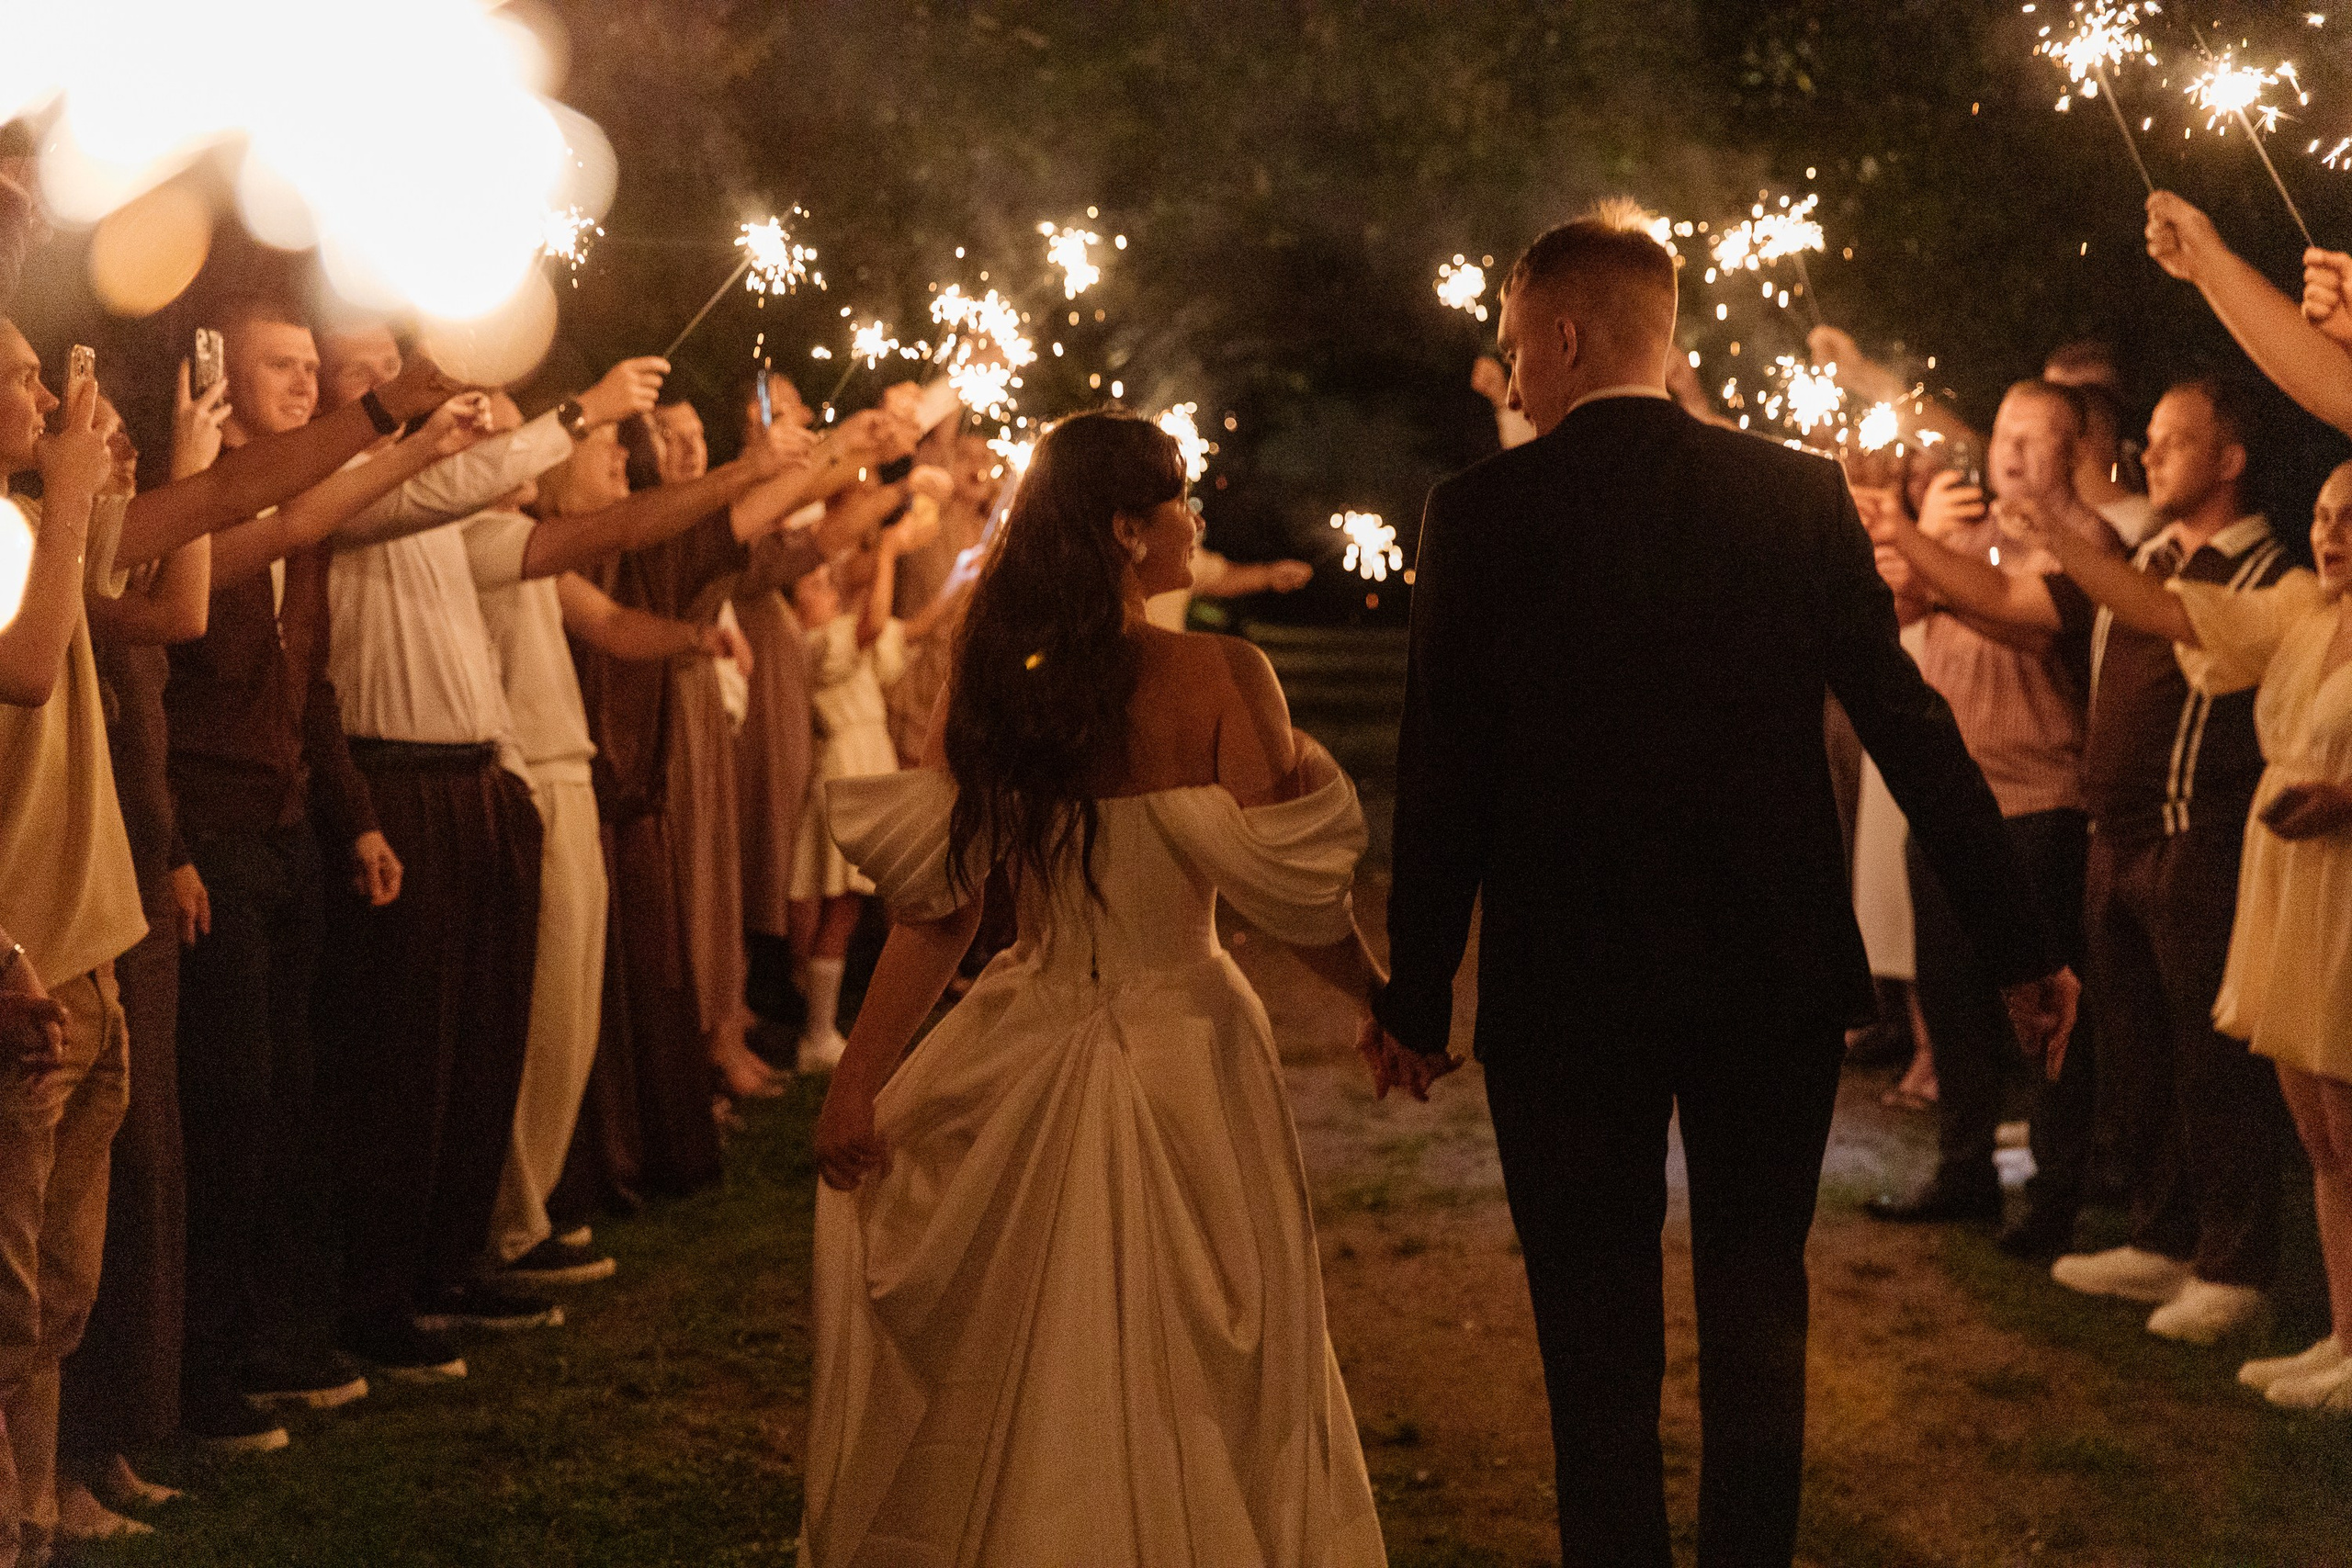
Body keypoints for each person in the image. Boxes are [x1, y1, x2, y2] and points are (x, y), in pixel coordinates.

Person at [1362, 213, 2076, 1568]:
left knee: (1592, 1332)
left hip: (1568, 985)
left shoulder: (1482, 511)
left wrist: (1414, 994)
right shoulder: (1793, 493)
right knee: (1759, 1308)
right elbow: (1908, 721)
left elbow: (1442, 764)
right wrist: (2019, 942)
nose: (1515, 378)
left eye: (1517, 347)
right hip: (1766, 973)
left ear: (1566, 335)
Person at [802, 410, 1387, 1563]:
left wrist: (859, 1081)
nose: (1195, 522)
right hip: (1192, 1047)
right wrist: (1384, 1003)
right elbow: (1291, 898)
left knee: (1031, 1341)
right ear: (1127, 530)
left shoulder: (994, 676)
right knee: (1209, 1353)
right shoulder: (1223, 675)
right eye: (1179, 502)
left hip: (1029, 1033)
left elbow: (941, 910)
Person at [1873, 369, 2294, 1344]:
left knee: (2205, 1058)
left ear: (2231, 459)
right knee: (2142, 1051)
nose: (2149, 454)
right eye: (2150, 437)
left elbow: (2035, 605)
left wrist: (1944, 532)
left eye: (2175, 441)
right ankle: (2159, 1236)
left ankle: (2231, 1263)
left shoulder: (2252, 571)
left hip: (2184, 832)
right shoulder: (2150, 550)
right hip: (2114, 829)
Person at [166, 299, 485, 1446]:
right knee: (231, 1104)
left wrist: (353, 824)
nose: (307, 384)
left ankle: (279, 1342)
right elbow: (144, 701)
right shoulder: (189, 515)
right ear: (218, 380)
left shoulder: (300, 524)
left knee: (290, 1100)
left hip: (289, 836)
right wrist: (171, 845)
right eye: (282, 367)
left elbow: (313, 689)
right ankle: (201, 1373)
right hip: (211, 838)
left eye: (314, 366)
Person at [2001, 457, 2352, 1409]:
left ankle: (2260, 1286)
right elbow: (2172, 614)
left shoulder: (2282, 585)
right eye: (2323, 513)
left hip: (2333, 875)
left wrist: (2344, 798)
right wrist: (2055, 534)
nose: (2331, 533)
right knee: (2318, 1129)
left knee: (2332, 1113)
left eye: (2351, 517)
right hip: (2288, 875)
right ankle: (2338, 1334)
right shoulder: (2301, 611)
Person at [1860, 382, 2100, 1262]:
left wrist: (1909, 540)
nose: (2012, 452)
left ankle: (2055, 1191)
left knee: (2039, 1009)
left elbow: (2018, 613)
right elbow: (1893, 615)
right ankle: (1963, 1167)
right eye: (2004, 434)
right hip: (1949, 806)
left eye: (2036, 438)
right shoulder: (1957, 532)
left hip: (2038, 802)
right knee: (1951, 1000)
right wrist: (1894, 557)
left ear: (2072, 451)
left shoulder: (2086, 542)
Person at [784, 481, 948, 1071]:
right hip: (846, 771)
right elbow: (874, 625)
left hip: (864, 762)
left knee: (845, 907)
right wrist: (888, 552)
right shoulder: (815, 645)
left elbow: (917, 625)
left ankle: (819, 1025)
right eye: (815, 587)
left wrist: (970, 573)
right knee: (840, 905)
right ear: (794, 608)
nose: (828, 590)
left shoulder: (841, 636)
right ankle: (816, 1033)